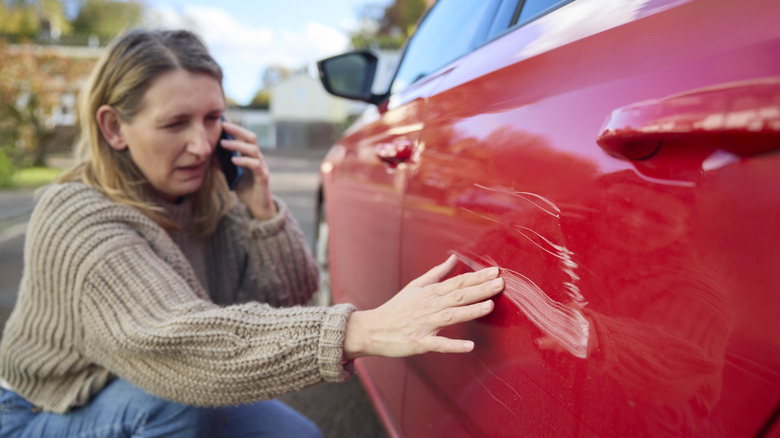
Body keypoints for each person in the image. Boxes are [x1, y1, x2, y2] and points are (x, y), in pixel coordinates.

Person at [0, 29, 503, 437]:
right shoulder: (75, 217)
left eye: (213, 118)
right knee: (177, 408)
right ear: (113, 129)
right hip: (45, 409)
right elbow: (179, 345)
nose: (202, 145)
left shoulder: (211, 195)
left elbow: (282, 303)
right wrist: (362, 330)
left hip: (140, 387)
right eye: (175, 123)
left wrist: (261, 210)